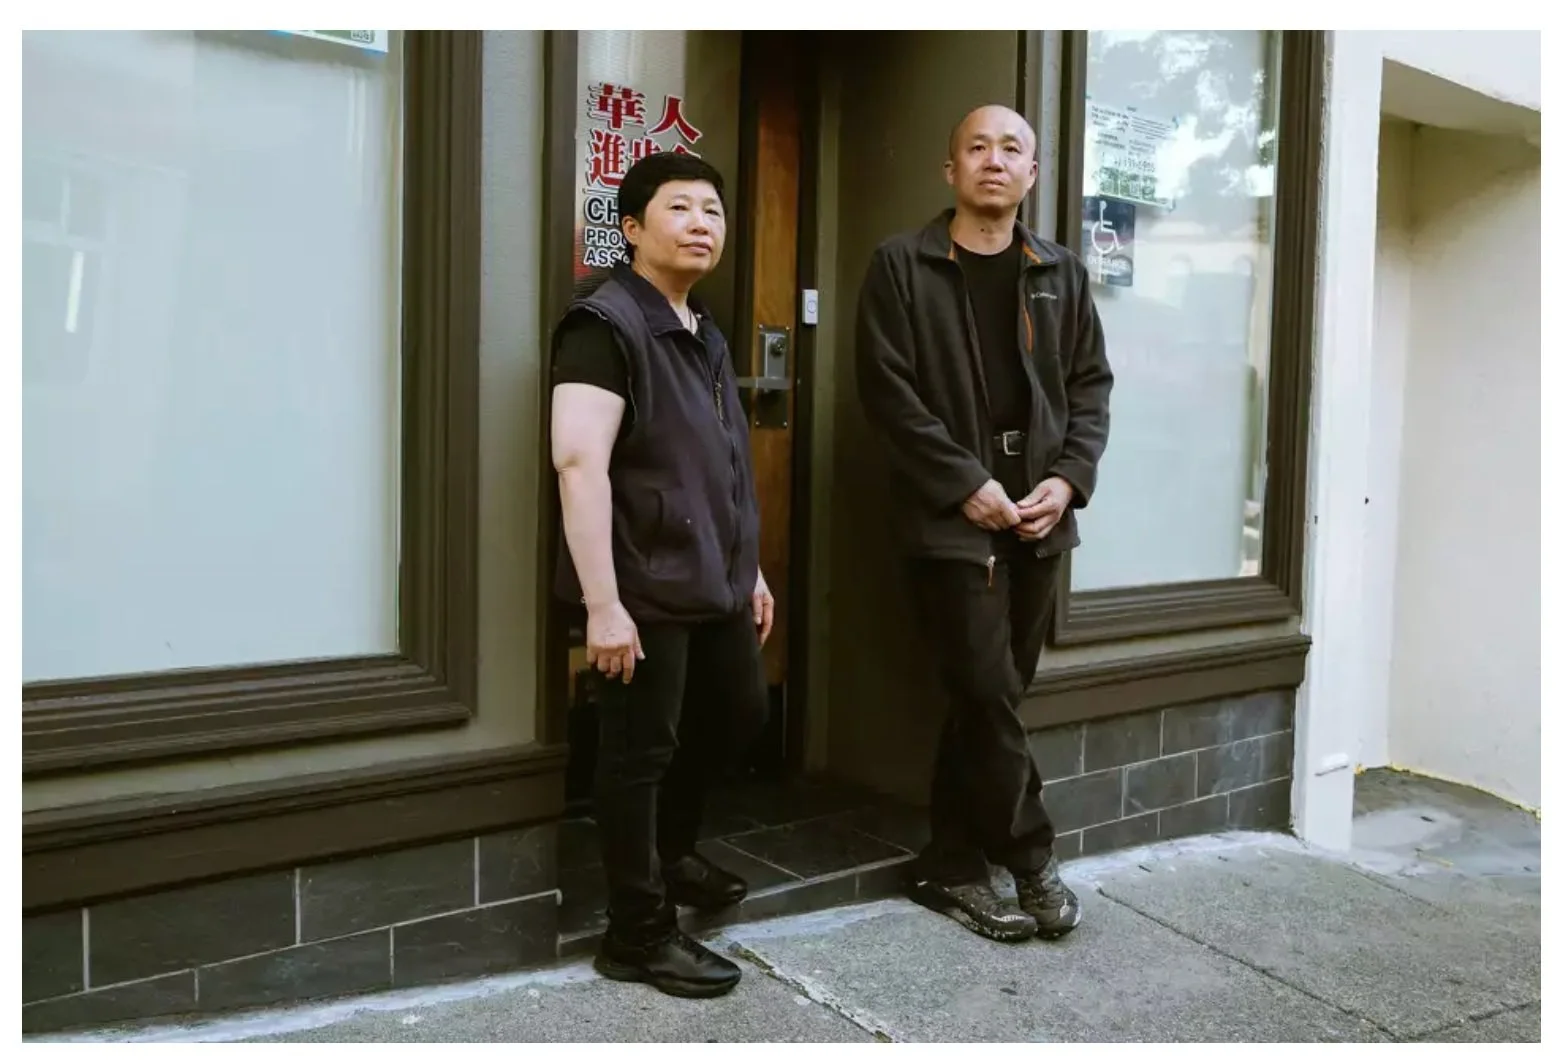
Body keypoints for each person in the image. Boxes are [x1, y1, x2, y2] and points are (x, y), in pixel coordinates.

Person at [854, 104, 1113, 943]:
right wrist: (964, 483)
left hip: (1038, 516)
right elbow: (890, 393)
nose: (994, 161)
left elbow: (1090, 390)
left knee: (988, 699)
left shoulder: (1061, 274)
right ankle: (1031, 856)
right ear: (950, 169)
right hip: (952, 518)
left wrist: (1068, 481)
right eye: (976, 147)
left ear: (1032, 174)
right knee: (988, 690)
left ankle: (949, 861)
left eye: (1012, 150)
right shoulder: (902, 266)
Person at [550, 152, 773, 998]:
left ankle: (671, 854)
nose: (701, 224)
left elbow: (719, 468)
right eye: (679, 208)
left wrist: (749, 570)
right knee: (638, 752)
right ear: (634, 229)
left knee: (737, 714)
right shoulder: (603, 326)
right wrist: (603, 605)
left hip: (712, 581)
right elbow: (578, 463)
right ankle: (636, 932)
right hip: (641, 587)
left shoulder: (702, 331)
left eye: (712, 210)